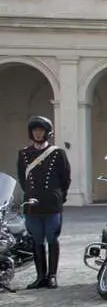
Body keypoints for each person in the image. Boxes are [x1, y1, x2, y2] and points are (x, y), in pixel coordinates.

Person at [16, 115, 71, 289]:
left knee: (52, 237)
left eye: (41, 130)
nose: (38, 133)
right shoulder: (24, 154)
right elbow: (22, 179)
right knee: (36, 239)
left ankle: (52, 276)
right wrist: (32, 193)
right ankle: (40, 276)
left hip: (52, 202)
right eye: (35, 131)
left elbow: (65, 177)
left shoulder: (57, 153)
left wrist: (59, 196)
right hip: (33, 203)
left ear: (47, 133)